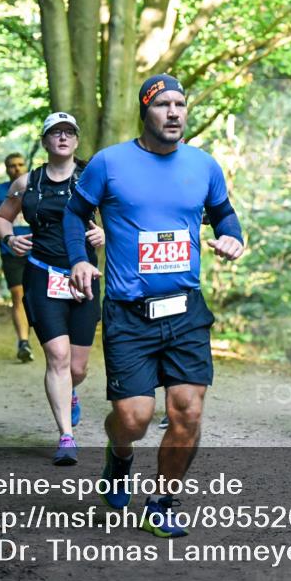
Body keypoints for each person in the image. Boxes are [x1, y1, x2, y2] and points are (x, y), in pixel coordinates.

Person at [64, 74, 244, 538]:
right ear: (145, 112)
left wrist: (232, 237)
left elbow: (223, 213)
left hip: (185, 310)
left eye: (180, 104)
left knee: (188, 411)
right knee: (133, 419)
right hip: (129, 313)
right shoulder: (109, 163)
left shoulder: (203, 165)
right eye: (163, 104)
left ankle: (161, 503)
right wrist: (80, 260)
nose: (174, 112)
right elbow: (74, 213)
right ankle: (119, 455)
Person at [0, 112, 105, 466]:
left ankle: (71, 393)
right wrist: (9, 238)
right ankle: (66, 436)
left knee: (77, 368)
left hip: (83, 278)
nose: (62, 137)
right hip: (42, 274)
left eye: (69, 132)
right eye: (55, 133)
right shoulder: (27, 182)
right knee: (57, 356)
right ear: (44, 141)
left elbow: (120, 217)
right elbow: (1, 216)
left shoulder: (92, 179)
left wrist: (105, 233)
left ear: (76, 140)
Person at [0, 152, 34, 362]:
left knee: (34, 298)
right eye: (12, 165)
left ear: (26, 166)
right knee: (18, 295)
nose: (17, 168)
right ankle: (23, 342)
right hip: (11, 250)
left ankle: (35, 336)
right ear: (6, 169)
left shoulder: (37, 186)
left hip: (38, 251)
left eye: (20, 164)